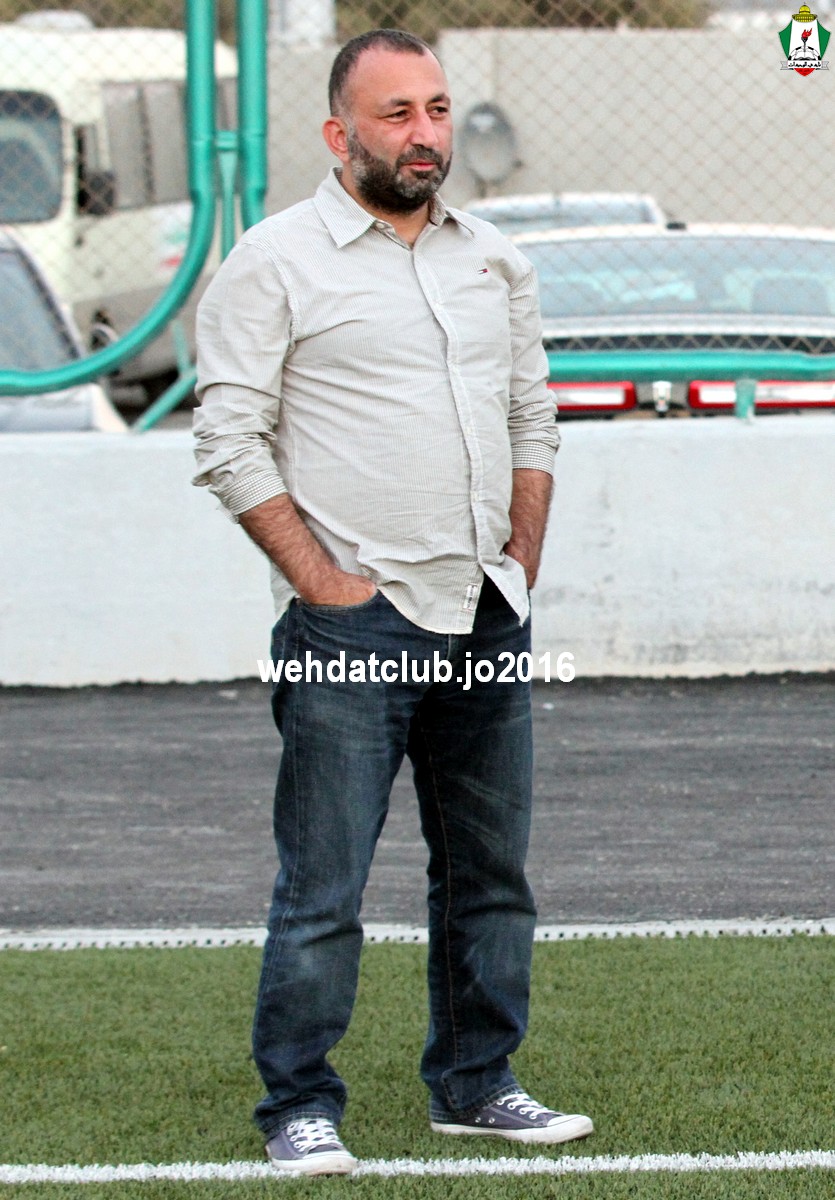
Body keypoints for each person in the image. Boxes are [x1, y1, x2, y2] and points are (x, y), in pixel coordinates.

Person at [193, 27, 593, 1176]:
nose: (425, 135)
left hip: (487, 612)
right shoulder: (274, 261)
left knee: (489, 879)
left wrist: (520, 553)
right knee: (324, 888)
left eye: (436, 109)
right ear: (339, 133)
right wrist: (322, 583)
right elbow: (227, 438)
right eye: (397, 114)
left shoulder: (492, 261)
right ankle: (297, 1106)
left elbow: (531, 415)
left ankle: (476, 1083)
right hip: (354, 627)